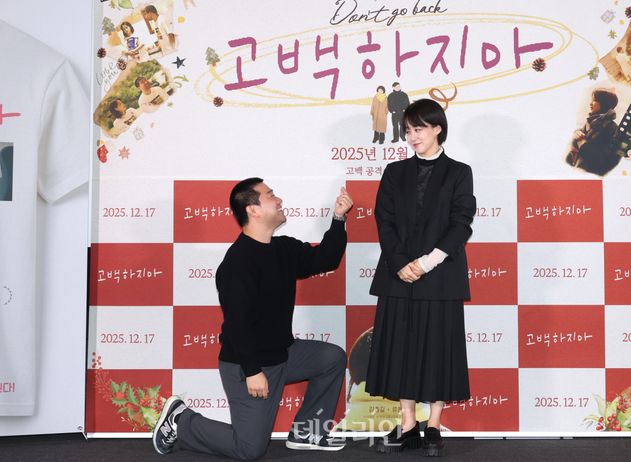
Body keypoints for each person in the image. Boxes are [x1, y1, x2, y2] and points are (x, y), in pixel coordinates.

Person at [153, 178, 354, 460]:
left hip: (284, 354)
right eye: (271, 195)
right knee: (249, 449)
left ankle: (307, 432)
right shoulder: (238, 262)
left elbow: (326, 259)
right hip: (248, 365)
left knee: (331, 358)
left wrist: (338, 218)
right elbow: (237, 324)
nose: (279, 200)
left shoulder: (284, 248)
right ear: (253, 209)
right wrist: (251, 371)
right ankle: (181, 420)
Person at [365, 99, 476, 457]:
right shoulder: (394, 172)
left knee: (439, 348)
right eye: (408, 130)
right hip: (398, 275)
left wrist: (427, 263)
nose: (413, 136)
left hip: (440, 275)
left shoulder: (459, 172)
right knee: (401, 348)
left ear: (438, 128)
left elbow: (461, 222)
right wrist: (401, 263)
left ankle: (434, 426)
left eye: (420, 129)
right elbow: (384, 220)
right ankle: (408, 424)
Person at [566, 88, 620, 176]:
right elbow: (576, 142)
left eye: (594, 100)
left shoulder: (612, 128)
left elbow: (601, 160)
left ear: (604, 103)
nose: (590, 103)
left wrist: (581, 142)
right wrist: (576, 135)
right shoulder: (591, 121)